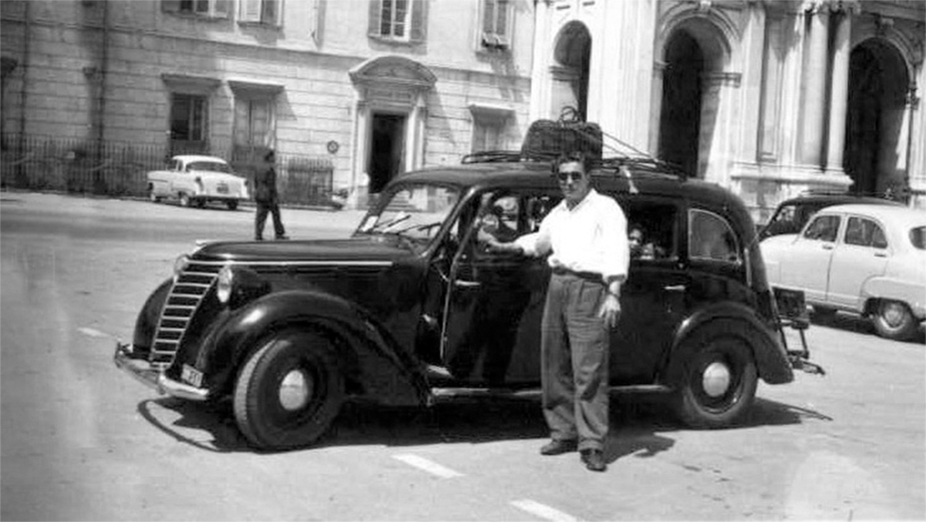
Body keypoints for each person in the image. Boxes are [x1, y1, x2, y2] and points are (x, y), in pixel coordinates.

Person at [479, 151, 629, 472]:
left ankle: (592, 443)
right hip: (558, 285)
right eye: (563, 176)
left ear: (589, 176)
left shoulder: (606, 209)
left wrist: (613, 292)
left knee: (588, 368)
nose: (569, 181)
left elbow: (618, 248)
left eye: (575, 175)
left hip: (590, 287)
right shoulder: (559, 212)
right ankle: (563, 432)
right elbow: (540, 241)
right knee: (554, 362)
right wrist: (508, 246)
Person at [253, 149, 288, 241]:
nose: (274, 158)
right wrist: (275, 196)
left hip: (259, 194)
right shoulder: (270, 169)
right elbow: (271, 184)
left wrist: (257, 190)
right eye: (273, 156)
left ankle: (258, 234)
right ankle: (279, 233)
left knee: (260, 216)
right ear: (269, 157)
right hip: (268, 196)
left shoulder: (258, 167)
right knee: (276, 214)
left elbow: (255, 181)